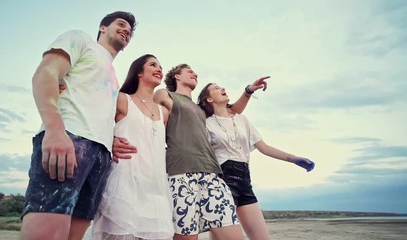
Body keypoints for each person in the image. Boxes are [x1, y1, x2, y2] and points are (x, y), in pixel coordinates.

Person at [114, 63, 269, 240]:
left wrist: (248, 91)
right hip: (180, 174)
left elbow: (231, 110)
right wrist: (114, 138)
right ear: (177, 77)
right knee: (187, 236)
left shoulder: (201, 110)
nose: (195, 74)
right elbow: (149, 123)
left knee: (231, 232)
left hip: (212, 175)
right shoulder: (165, 95)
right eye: (189, 72)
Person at [20, 11, 137, 240]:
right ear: (103, 27)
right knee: (47, 233)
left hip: (101, 154)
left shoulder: (113, 74)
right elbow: (45, 74)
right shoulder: (81, 40)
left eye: (130, 31)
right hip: (69, 140)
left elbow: (92, 107)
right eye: (121, 24)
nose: (126, 30)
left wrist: (110, 138)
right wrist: (55, 131)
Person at [197, 83, 315, 240]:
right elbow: (201, 155)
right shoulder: (206, 123)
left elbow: (264, 147)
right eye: (216, 88)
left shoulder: (242, 120)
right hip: (222, 180)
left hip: (245, 181)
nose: (222, 88)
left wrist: (293, 158)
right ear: (209, 98)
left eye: (222, 86)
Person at [88, 54, 174, 240]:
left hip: (156, 187)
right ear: (139, 73)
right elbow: (93, 121)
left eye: (160, 65)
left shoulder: (164, 112)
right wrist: (109, 140)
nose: (159, 69)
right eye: (153, 65)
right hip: (124, 180)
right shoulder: (121, 99)